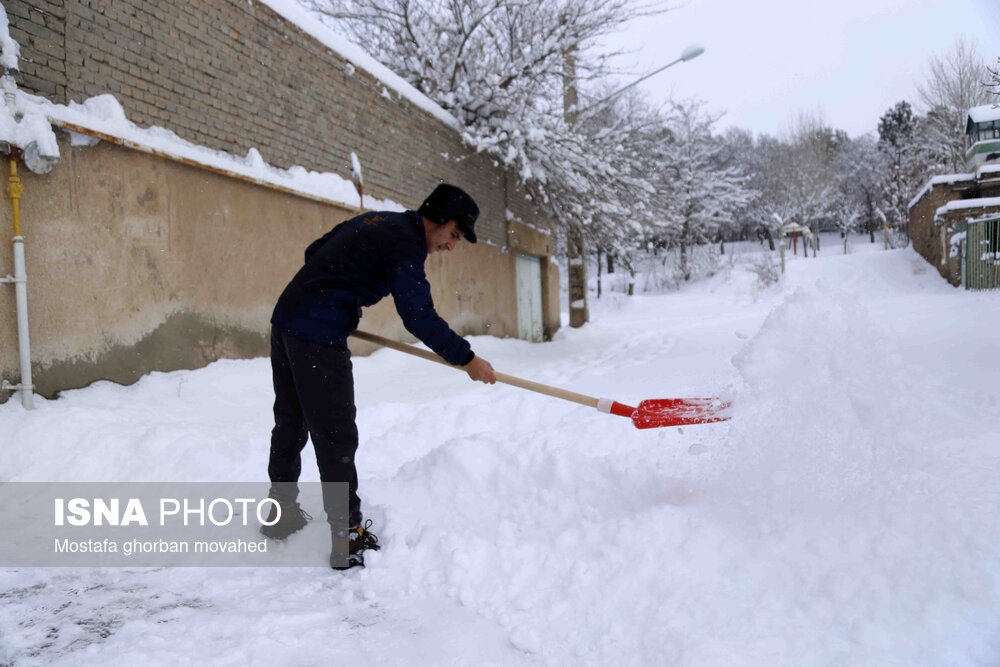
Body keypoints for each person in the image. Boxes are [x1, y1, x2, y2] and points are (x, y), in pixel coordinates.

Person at [263, 183, 496, 570]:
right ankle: (347, 538)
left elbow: (316, 253)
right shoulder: (406, 246)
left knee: (291, 420)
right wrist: (466, 359)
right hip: (317, 336)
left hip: (286, 319)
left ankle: (281, 513)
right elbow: (418, 315)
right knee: (335, 434)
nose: (451, 246)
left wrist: (339, 299)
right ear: (437, 218)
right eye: (453, 235)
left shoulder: (380, 222)